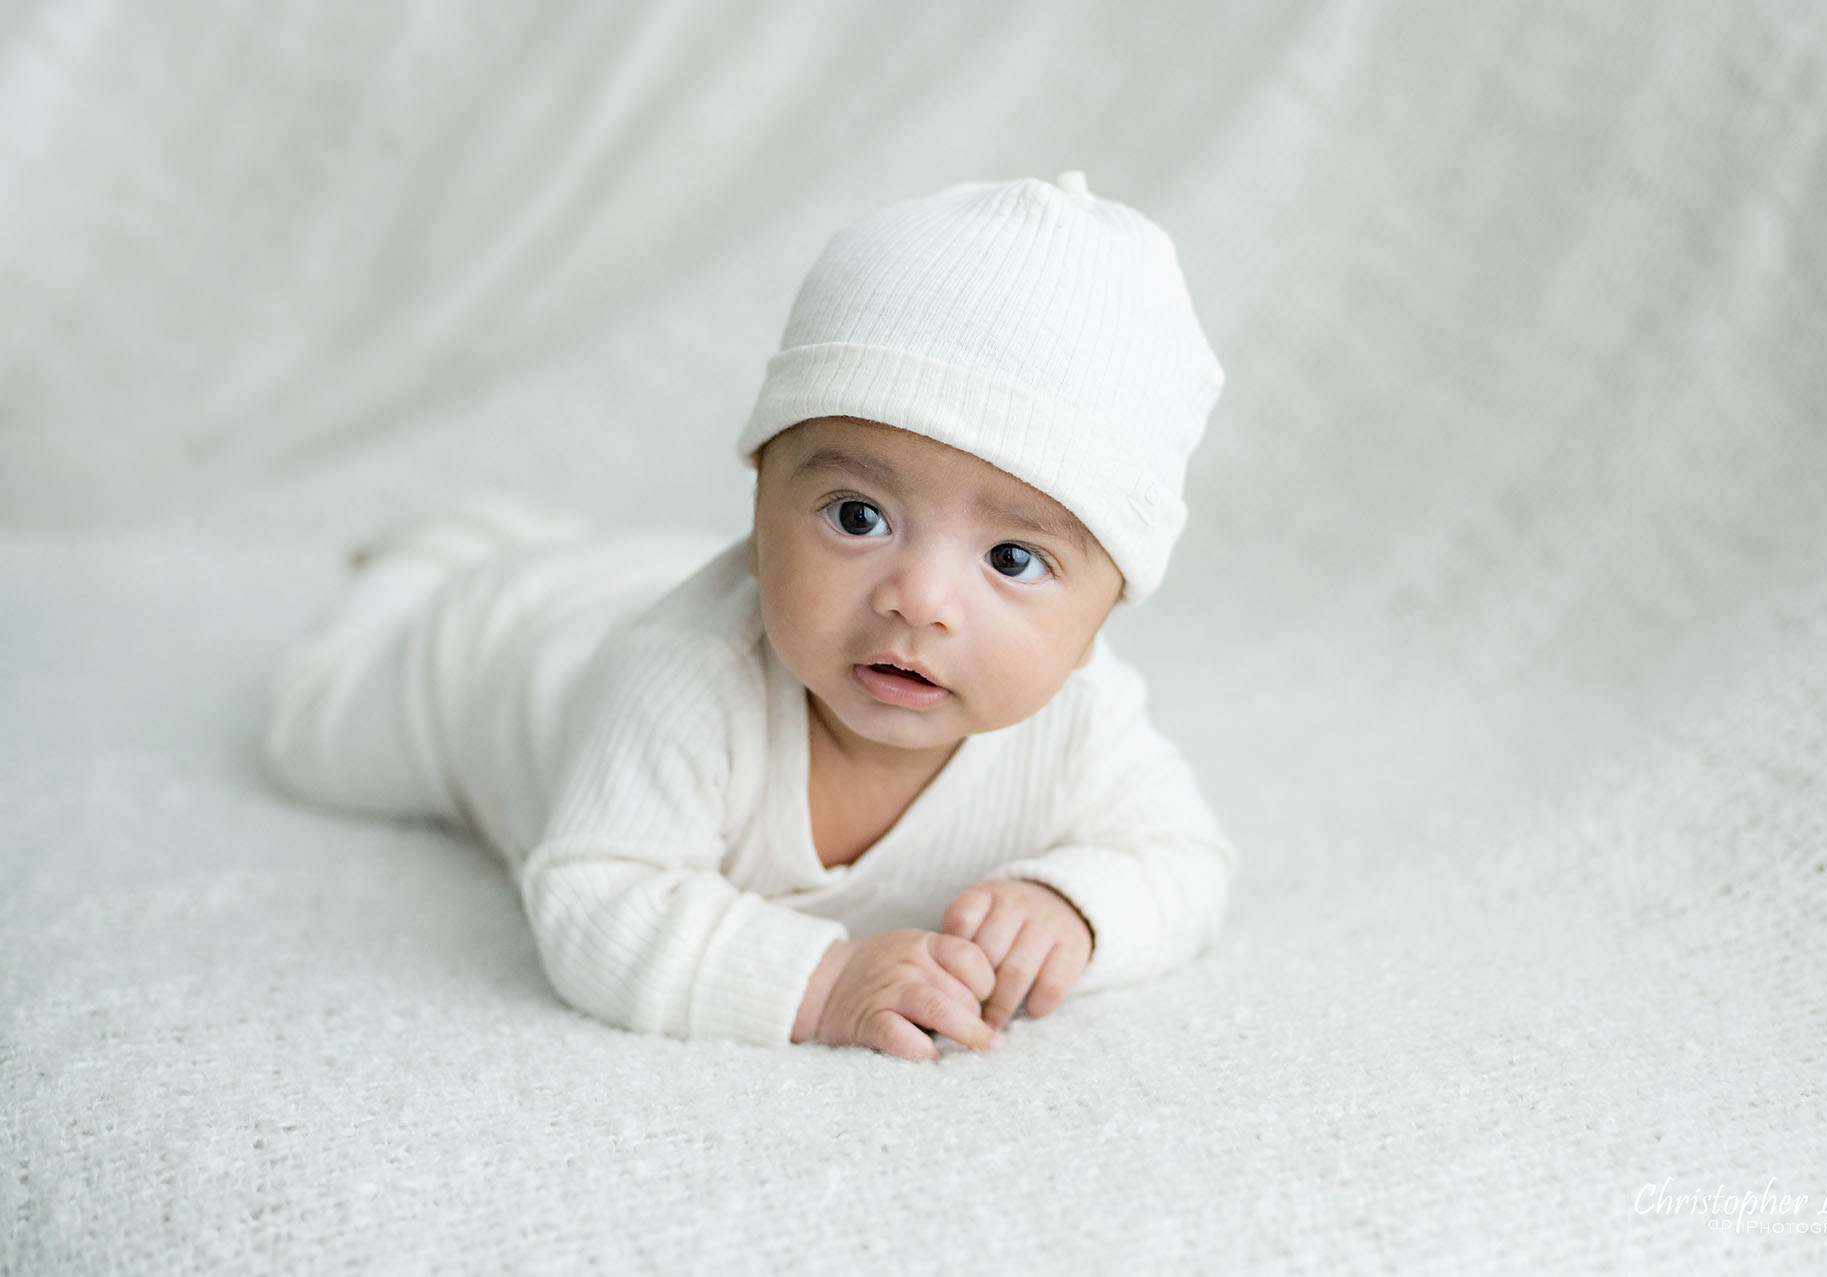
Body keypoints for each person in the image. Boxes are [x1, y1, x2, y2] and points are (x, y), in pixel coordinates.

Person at [264, 171, 1238, 1063]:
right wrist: (821, 983)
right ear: (761, 495)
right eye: (858, 515)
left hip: (621, 581)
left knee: (617, 572)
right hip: (494, 652)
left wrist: (1075, 904)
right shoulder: (681, 679)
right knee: (309, 738)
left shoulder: (1084, 720)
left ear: (1106, 609)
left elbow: (1187, 860)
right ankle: (428, 559)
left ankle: (543, 539)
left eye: (1013, 559)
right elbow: (595, 899)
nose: (919, 598)